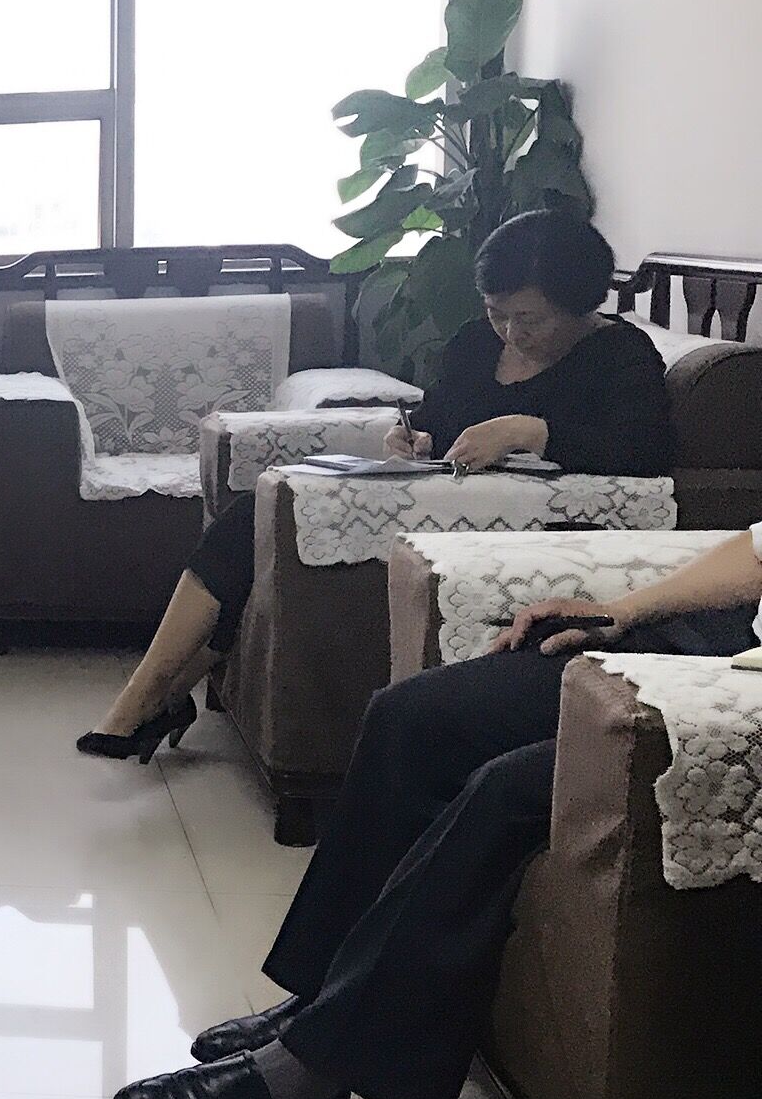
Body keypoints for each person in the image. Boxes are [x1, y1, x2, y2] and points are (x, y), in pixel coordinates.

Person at [113, 522, 762, 1099]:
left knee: (507, 789)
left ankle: (307, 1076)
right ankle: (321, 997)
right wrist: (623, 611)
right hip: (722, 648)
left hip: (745, 699)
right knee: (413, 718)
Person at [80, 210, 673, 760]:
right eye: (498, 312)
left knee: (265, 522)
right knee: (259, 512)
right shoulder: (475, 343)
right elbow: (436, 421)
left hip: (506, 527)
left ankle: (155, 698)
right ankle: (155, 692)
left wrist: (530, 430)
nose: (511, 332)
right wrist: (412, 439)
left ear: (579, 303)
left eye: (530, 319)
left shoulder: (619, 354)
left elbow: (642, 451)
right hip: (432, 495)